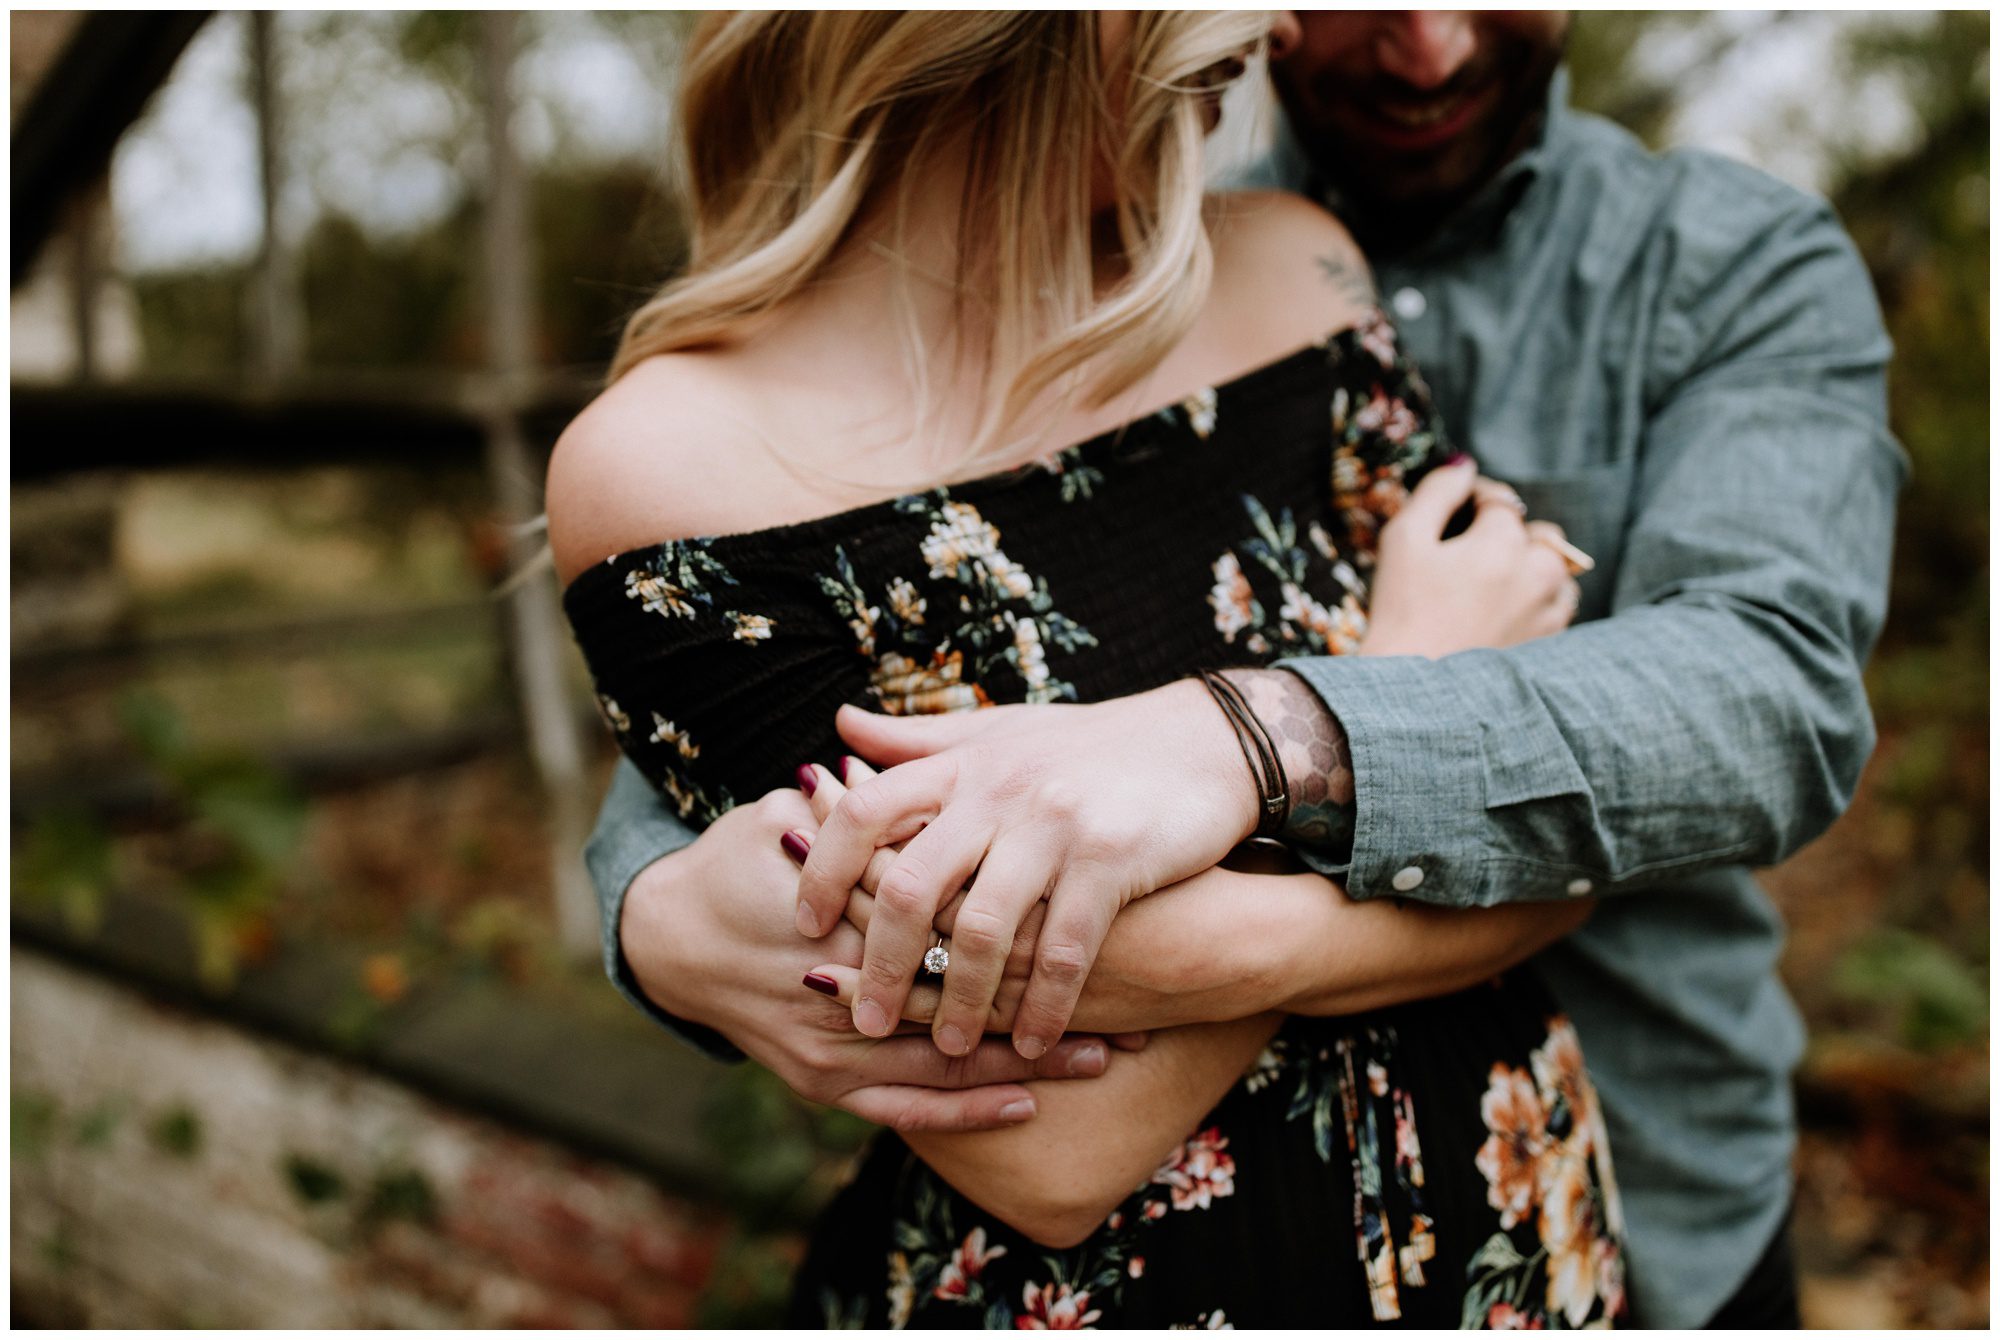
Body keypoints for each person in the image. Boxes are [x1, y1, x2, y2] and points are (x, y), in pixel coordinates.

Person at [579, 10, 1903, 1330]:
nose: (1428, 46)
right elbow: (1056, 1148)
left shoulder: (1696, 262)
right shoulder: (696, 455)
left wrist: (1264, 738)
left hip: (1622, 1215)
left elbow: (1715, 738)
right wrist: (655, 913)